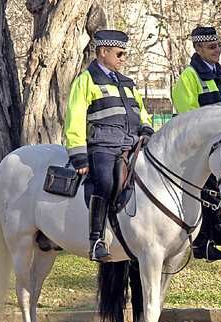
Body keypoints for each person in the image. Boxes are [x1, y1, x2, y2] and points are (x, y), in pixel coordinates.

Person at [64, 30, 154, 263]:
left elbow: (141, 111)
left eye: (125, 53)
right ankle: (96, 240)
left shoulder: (128, 83)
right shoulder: (86, 80)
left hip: (133, 145)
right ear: (103, 52)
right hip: (102, 146)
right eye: (119, 53)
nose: (123, 58)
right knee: (105, 182)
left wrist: (146, 128)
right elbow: (75, 117)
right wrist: (79, 157)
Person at [171, 26, 221, 262]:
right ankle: (203, 241)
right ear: (198, 48)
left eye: (219, 46)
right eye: (212, 47)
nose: (217, 50)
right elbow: (187, 113)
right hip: (200, 147)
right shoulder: (189, 76)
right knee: (209, 187)